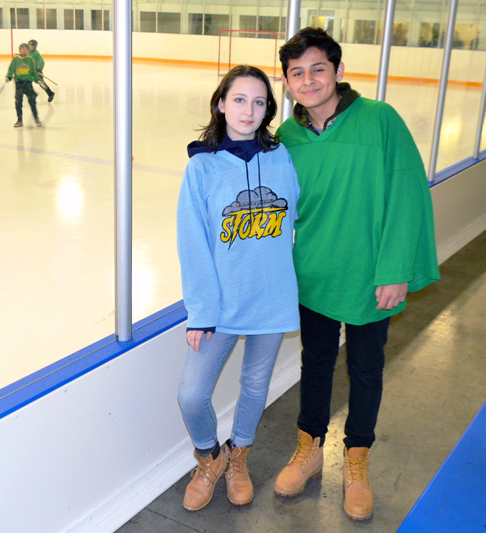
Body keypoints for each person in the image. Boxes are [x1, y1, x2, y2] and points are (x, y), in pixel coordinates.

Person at [273, 27, 439, 521]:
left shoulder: (379, 120)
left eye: (318, 69)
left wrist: (395, 270)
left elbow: (407, 194)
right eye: (297, 73)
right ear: (286, 82)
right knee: (316, 363)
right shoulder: (286, 137)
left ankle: (356, 459)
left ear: (339, 71)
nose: (308, 80)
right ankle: (308, 449)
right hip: (315, 275)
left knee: (366, 369)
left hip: (370, 277)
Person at [176, 65, 300, 511]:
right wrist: (202, 311)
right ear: (221, 103)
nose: (249, 110)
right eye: (240, 99)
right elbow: (193, 244)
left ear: (268, 109)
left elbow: (302, 216)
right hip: (222, 304)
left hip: (273, 296)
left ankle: (240, 454)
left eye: (260, 102)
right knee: (190, 395)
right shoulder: (202, 168)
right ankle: (211, 457)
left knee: (254, 385)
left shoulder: (282, 156)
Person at [6, 43, 42, 128]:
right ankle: (19, 120)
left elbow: (33, 71)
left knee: (32, 101)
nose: (24, 50)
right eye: (22, 49)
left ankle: (36, 118)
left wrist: (37, 79)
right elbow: (11, 70)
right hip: (19, 83)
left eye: (26, 49)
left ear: (28, 51)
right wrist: (9, 76)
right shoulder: (15, 60)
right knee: (18, 102)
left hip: (28, 83)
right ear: (20, 50)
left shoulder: (30, 60)